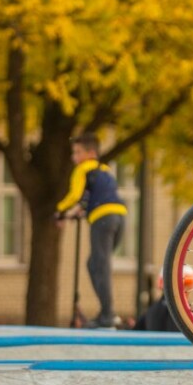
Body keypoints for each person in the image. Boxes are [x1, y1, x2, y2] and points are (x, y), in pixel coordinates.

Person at [56, 134, 128, 328]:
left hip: (102, 219)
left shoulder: (82, 169)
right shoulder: (105, 171)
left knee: (101, 265)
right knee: (94, 263)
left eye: (77, 152)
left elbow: (74, 196)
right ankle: (106, 312)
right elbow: (87, 200)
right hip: (120, 217)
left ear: (91, 153)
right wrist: (74, 213)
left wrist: (59, 210)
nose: (74, 157)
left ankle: (108, 316)